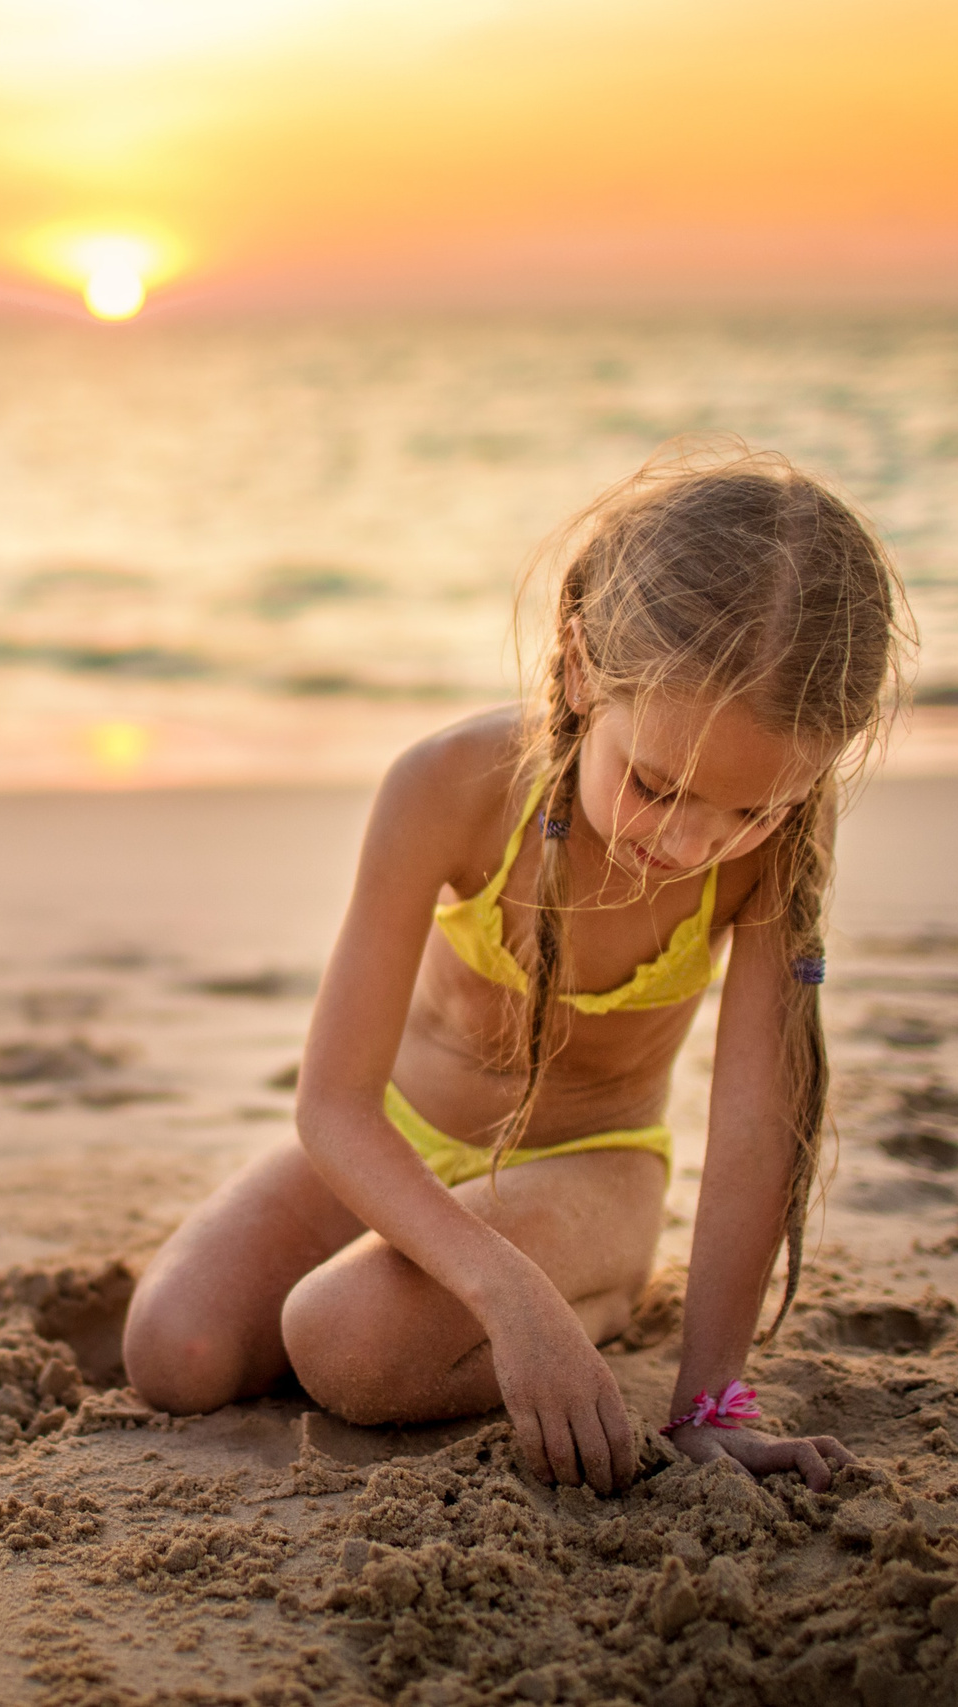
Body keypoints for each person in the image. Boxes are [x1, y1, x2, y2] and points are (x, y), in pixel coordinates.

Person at [121, 447, 910, 1494]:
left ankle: (603, 1285)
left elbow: (755, 1124)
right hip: (391, 1144)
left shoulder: (768, 858)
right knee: (172, 1353)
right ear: (583, 666)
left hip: (590, 1173)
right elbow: (333, 1105)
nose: (690, 844)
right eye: (658, 786)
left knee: (343, 1340)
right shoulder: (445, 787)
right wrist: (509, 1297)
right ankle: (534, 1296)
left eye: (752, 810)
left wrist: (706, 1402)